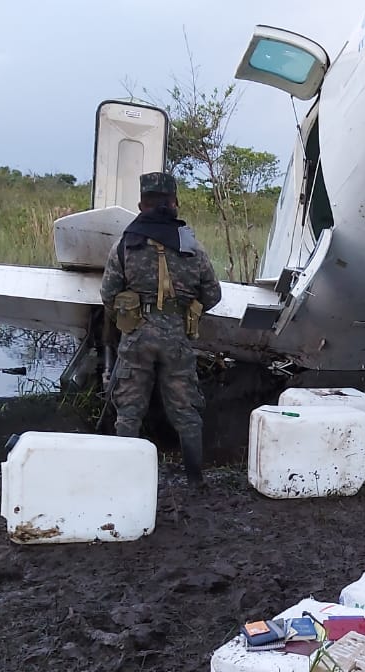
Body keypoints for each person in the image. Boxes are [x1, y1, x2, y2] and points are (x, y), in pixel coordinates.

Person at [99, 171, 222, 485]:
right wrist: (183, 310)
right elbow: (213, 294)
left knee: (128, 411)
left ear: (142, 204)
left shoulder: (126, 243)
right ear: (175, 204)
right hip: (176, 338)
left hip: (137, 336)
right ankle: (195, 481)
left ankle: (124, 480)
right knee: (187, 412)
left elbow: (108, 294)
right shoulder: (192, 246)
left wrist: (129, 318)